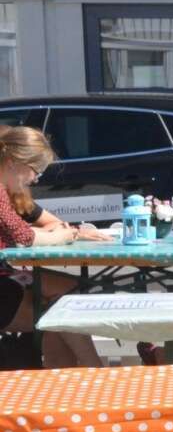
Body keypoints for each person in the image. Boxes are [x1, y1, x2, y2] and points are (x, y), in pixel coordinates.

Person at [0, 127, 104, 367]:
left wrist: (63, 233)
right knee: (64, 310)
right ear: (14, 162)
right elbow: (24, 236)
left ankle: (75, 378)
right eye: (35, 171)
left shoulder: (7, 190)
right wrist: (61, 236)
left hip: (7, 276)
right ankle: (97, 372)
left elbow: (25, 231)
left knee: (66, 298)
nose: (35, 179)